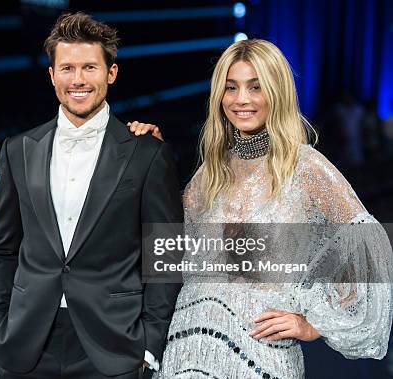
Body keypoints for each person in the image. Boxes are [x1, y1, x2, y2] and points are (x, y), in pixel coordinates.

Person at [146, 39, 393, 378]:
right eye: (231, 87)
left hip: (261, 357)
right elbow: (171, 241)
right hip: (188, 352)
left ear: (276, 93)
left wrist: (313, 324)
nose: (241, 99)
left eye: (255, 87)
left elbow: (367, 241)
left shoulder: (304, 166)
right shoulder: (213, 170)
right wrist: (151, 160)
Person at [0, 12, 183, 378]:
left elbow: (165, 255)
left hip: (115, 346)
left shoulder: (147, 153)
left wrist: (150, 345)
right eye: (67, 68)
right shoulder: (18, 149)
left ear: (111, 73)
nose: (78, 80)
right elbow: (3, 249)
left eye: (90, 67)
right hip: (26, 344)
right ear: (52, 75)